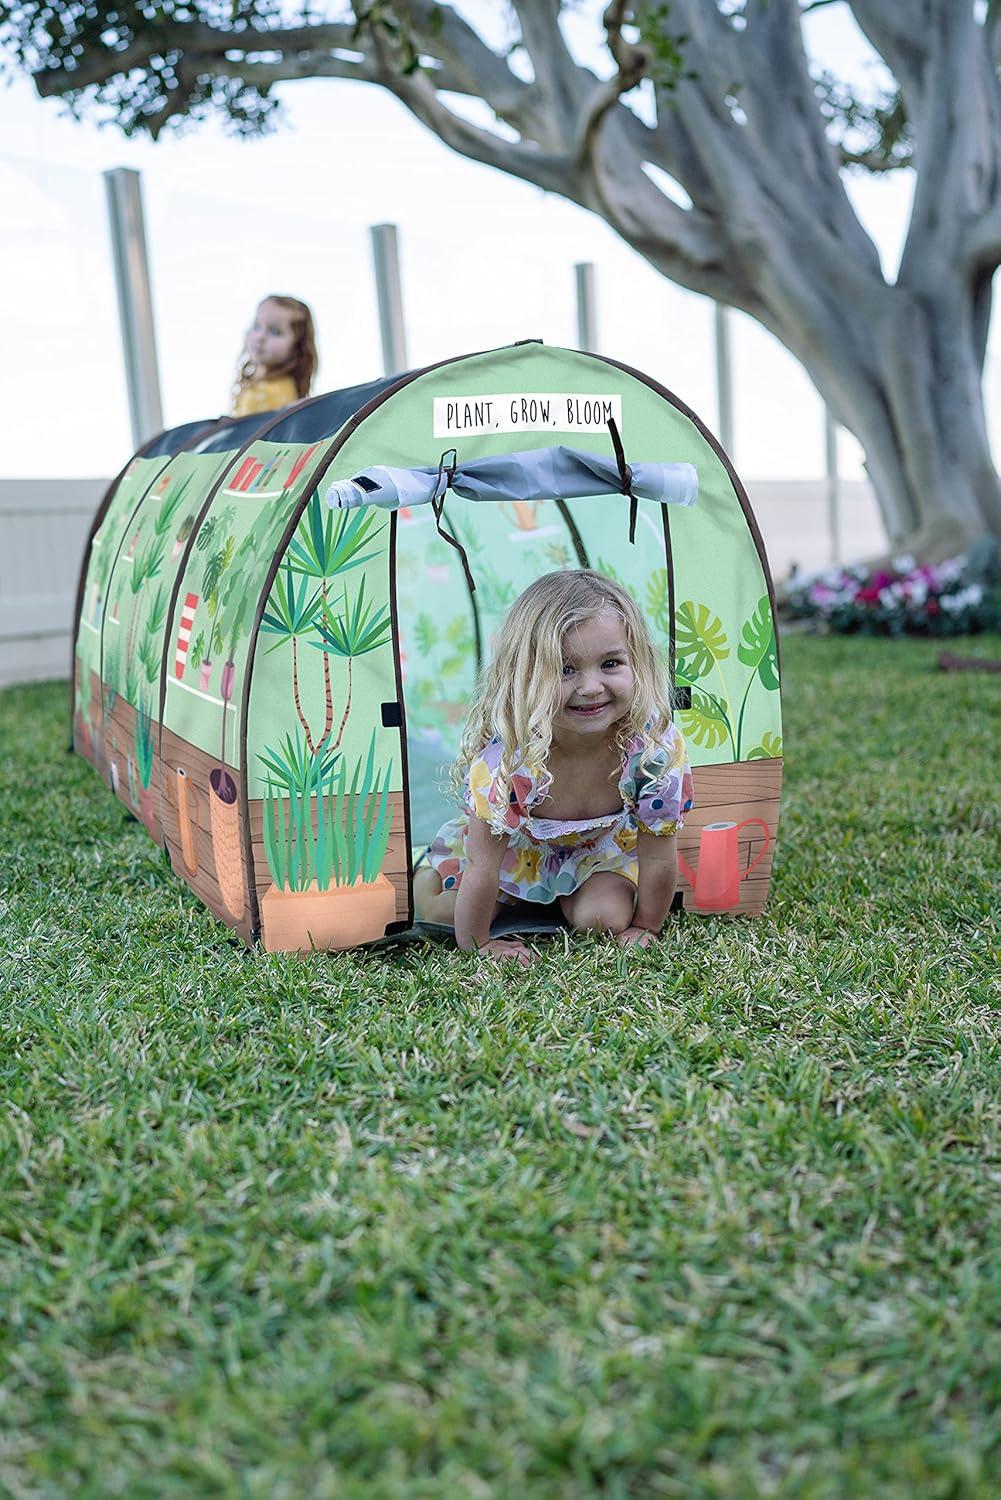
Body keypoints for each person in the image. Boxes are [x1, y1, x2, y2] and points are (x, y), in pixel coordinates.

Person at [414, 569, 694, 965]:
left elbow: (658, 853)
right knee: (439, 912)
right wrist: (478, 944)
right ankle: (443, 879)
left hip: (595, 856)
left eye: (611, 663)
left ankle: (564, 900)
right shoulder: (512, 757)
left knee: (604, 918)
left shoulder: (650, 750)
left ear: (638, 664)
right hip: (513, 855)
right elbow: (483, 862)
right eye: (565, 669)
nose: (591, 687)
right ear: (524, 676)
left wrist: (645, 927)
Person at [230, 295, 318, 417]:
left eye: (275, 331)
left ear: (297, 347)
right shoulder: (278, 386)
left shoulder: (267, 393)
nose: (260, 337)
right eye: (256, 326)